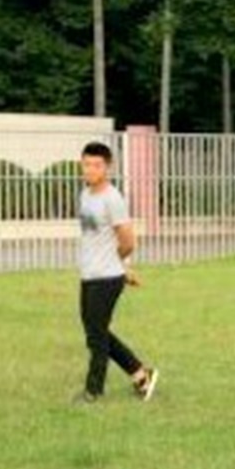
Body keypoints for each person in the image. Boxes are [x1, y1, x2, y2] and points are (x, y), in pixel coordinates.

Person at [76, 141, 158, 404]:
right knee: (96, 332)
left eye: (97, 165)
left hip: (107, 278)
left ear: (108, 167)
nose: (90, 169)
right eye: (86, 164)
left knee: (96, 337)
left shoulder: (113, 199)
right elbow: (95, 238)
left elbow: (128, 241)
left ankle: (93, 392)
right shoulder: (85, 195)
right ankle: (141, 375)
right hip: (89, 274)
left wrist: (118, 265)